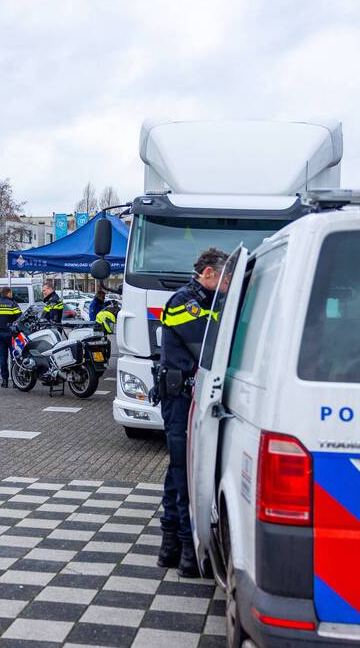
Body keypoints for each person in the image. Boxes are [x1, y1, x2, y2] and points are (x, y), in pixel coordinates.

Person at [156, 246, 229, 578]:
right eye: (226, 279)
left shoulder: (205, 301)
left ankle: (170, 546)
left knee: (177, 471)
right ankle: (186, 552)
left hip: (188, 396)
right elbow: (210, 346)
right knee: (185, 472)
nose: (229, 286)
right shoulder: (183, 302)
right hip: (180, 398)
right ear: (209, 274)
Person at [0, 287, 22, 387]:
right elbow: (20, 318)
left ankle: (4, 380)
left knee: (3, 358)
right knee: (14, 358)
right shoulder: (13, 305)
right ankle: (16, 381)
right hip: (12, 335)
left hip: (0, 335)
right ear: (8, 293)